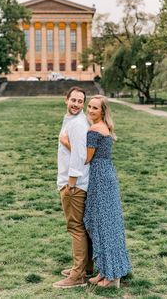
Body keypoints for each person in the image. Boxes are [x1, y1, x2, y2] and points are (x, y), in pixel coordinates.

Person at [60, 94, 132, 288]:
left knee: (103, 225)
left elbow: (85, 158)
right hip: (107, 174)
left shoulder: (93, 131)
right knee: (107, 223)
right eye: (89, 107)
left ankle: (110, 276)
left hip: (99, 179)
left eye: (94, 108)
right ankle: (105, 271)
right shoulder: (105, 128)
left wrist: (66, 143)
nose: (90, 111)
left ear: (103, 111)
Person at [53, 86, 93, 289]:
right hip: (75, 181)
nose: (77, 104)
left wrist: (70, 184)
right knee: (81, 228)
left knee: (75, 228)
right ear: (65, 100)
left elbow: (79, 156)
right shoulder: (72, 120)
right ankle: (85, 267)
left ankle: (78, 275)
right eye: (73, 100)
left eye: (80, 101)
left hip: (74, 184)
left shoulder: (77, 124)